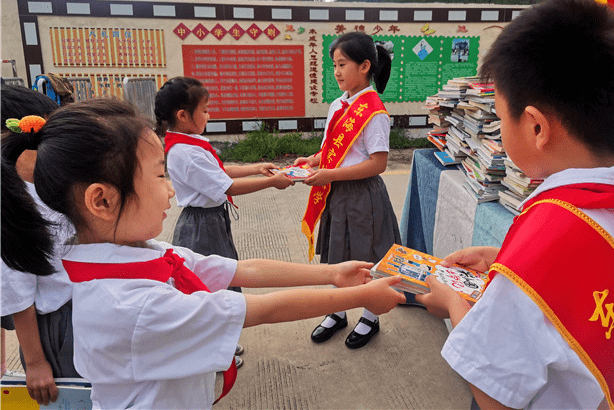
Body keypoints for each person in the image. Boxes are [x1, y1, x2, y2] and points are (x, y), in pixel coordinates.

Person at [1, 98, 406, 410]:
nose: (170, 190)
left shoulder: (138, 252)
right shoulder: (129, 306)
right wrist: (359, 297)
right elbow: (262, 310)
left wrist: (331, 274)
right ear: (102, 201)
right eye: (161, 176)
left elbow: (239, 269)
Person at [415, 0, 614, 409]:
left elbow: (494, 394)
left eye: (503, 117)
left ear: (538, 126)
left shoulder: (544, 242)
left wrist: (452, 301)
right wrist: (506, 261)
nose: (500, 129)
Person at [155, 76, 294, 366]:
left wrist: (256, 168)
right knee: (209, 286)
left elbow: (219, 173)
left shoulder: (189, 144)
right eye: (204, 110)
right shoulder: (186, 152)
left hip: (211, 220)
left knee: (220, 277)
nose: (209, 114)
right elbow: (226, 187)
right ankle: (210, 351)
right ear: (183, 115)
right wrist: (272, 183)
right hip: (201, 225)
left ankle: (219, 342)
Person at [295, 32, 402, 349]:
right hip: (336, 193)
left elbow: (378, 163)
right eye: (334, 65)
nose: (337, 72)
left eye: (343, 64)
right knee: (336, 252)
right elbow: (332, 147)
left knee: (366, 256)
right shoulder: (337, 105)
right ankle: (337, 311)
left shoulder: (375, 111)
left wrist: (330, 173)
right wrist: (313, 160)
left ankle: (370, 317)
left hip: (362, 195)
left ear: (365, 66)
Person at [0, 84, 80, 406]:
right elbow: (16, 287)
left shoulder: (55, 182)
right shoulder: (14, 202)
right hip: (53, 325)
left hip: (83, 306)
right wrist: (34, 361)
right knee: (71, 397)